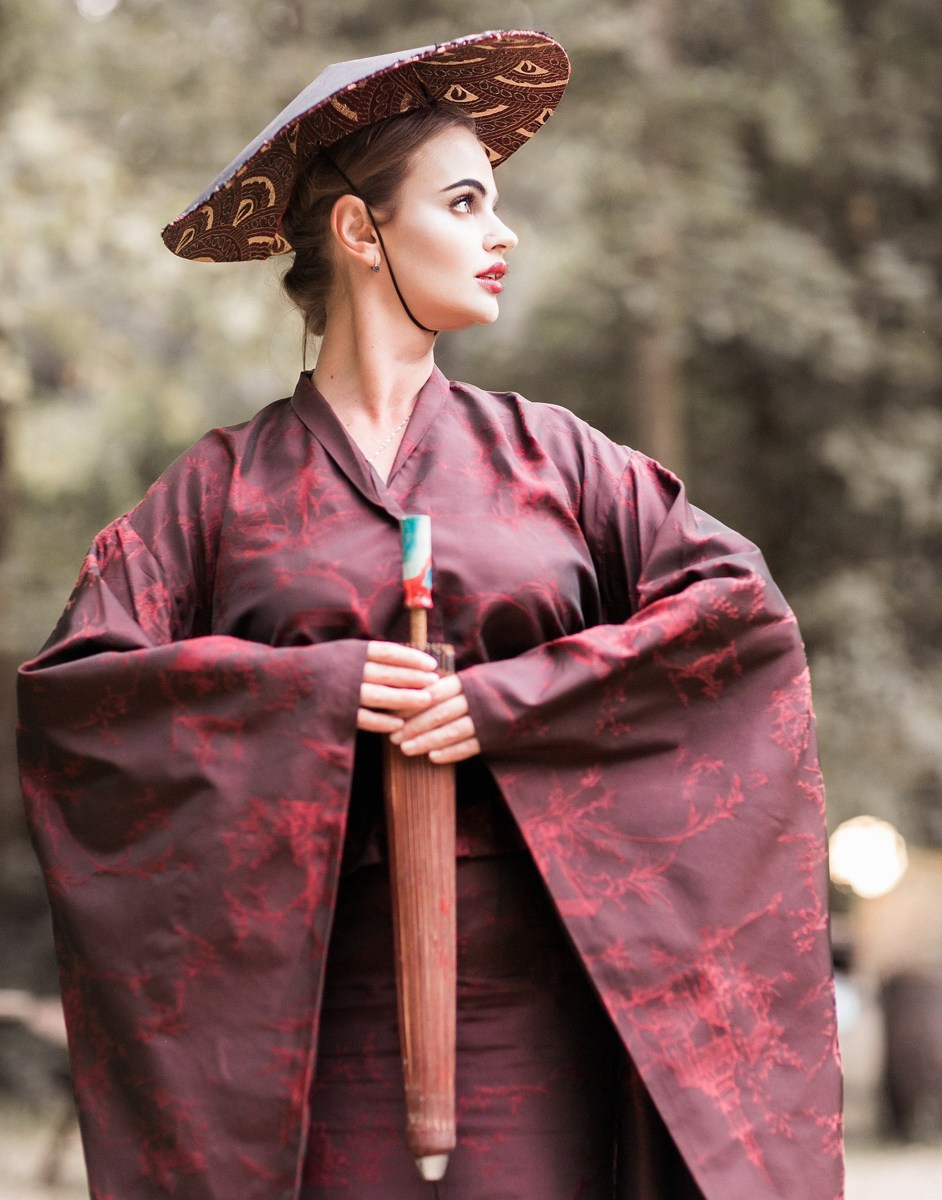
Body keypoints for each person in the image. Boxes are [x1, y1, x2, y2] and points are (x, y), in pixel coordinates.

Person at [17, 30, 844, 1200]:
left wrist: (507, 704)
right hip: (307, 1029)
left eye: (497, 206)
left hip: (538, 1013)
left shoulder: (560, 461)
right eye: (465, 203)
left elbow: (737, 626)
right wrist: (310, 695)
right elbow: (79, 697)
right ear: (360, 231)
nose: (502, 236)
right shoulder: (218, 490)